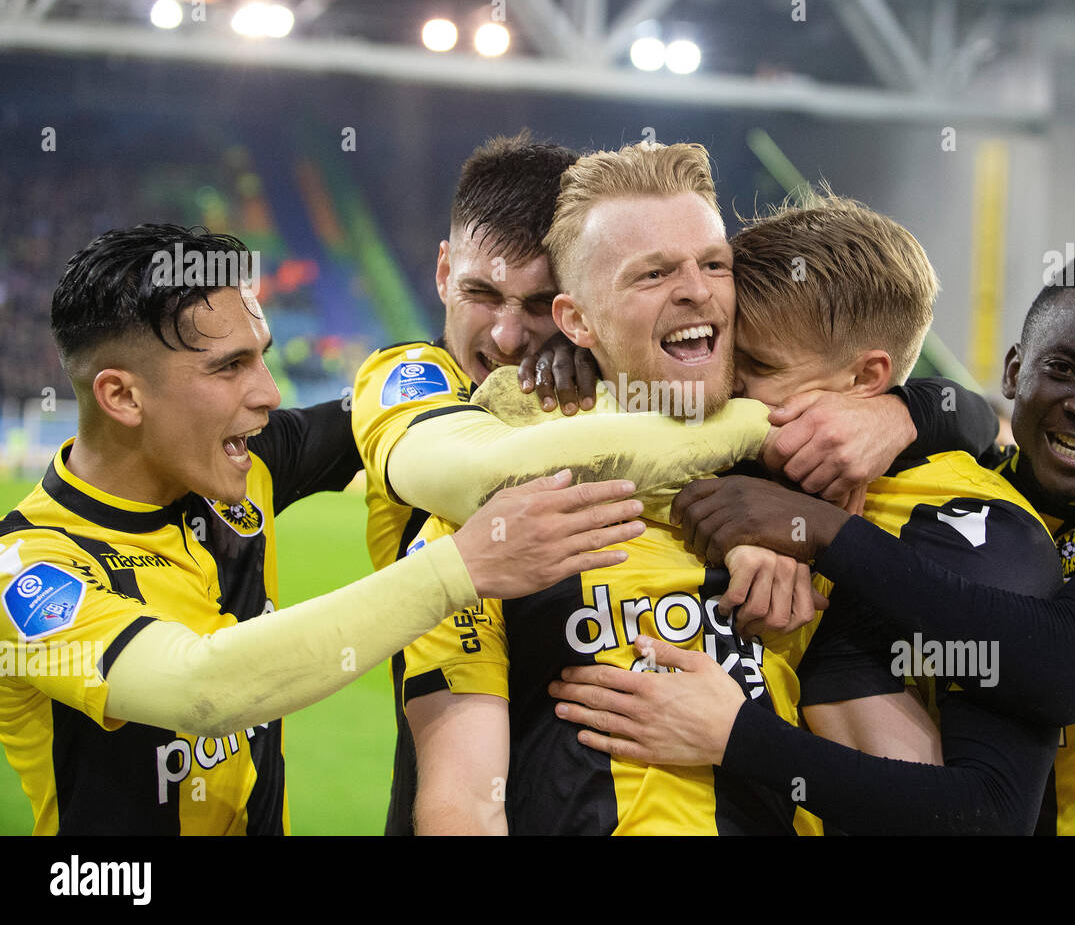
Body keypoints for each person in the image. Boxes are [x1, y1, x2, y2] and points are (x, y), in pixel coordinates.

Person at [354, 133, 996, 833]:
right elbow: (464, 803)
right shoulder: (502, 514)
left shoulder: (820, 485)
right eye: (651, 274)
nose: (694, 289)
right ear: (577, 323)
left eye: (714, 264)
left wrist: (919, 410)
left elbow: (956, 800)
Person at [0, 223, 646, 834]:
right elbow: (201, 687)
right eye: (229, 368)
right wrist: (460, 568)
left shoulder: (243, 464)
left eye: (264, 358)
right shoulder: (25, 571)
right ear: (122, 396)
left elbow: (399, 406)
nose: (270, 393)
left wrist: (562, 342)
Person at [632, 247, 1075, 835]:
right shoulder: (976, 480)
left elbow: (1063, 669)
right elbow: (963, 414)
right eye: (1062, 370)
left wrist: (821, 531)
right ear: (1014, 372)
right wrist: (902, 412)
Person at [549, 195, 1065, 834]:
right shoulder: (747, 470)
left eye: (758, 367)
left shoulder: (969, 530)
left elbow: (982, 821)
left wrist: (737, 737)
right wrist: (566, 354)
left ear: (867, 381)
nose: (726, 382)